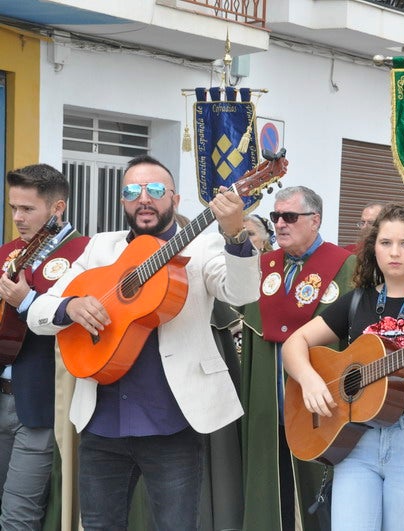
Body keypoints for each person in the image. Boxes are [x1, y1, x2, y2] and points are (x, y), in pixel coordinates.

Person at [26, 154, 260, 529]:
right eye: (132, 191)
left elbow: (243, 292)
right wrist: (70, 307)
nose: (143, 199)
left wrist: (234, 234)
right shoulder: (101, 248)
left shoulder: (203, 246)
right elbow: (40, 312)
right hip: (101, 424)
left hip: (173, 424)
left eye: (155, 190)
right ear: (123, 201)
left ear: (175, 199)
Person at [283, 203, 404, 530]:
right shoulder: (358, 301)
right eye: (385, 243)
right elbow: (293, 344)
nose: (394, 252)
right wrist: (311, 380)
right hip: (355, 441)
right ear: (373, 248)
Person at [239, 185, 356, 530]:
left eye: (289, 217)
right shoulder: (262, 266)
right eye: (276, 217)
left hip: (322, 408)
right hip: (268, 406)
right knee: (270, 499)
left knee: (318, 505)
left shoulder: (346, 268)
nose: (280, 224)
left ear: (315, 220)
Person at [0, 164, 89, 529]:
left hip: (40, 405)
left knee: (18, 517)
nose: (18, 218)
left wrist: (27, 299)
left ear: (57, 208)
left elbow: (76, 320)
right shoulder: (7, 251)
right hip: (3, 393)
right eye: (13, 209)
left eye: (27, 209)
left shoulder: (85, 252)